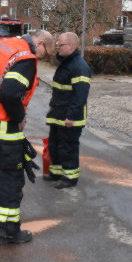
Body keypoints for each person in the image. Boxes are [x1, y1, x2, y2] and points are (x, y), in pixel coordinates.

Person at [0, 30, 55, 245]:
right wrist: (19, 116)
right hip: (0, 129)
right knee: (9, 182)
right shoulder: (25, 58)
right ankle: (7, 232)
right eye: (44, 54)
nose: (40, 58)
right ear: (40, 43)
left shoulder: (1, 46)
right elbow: (9, 92)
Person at [43, 32, 91, 189]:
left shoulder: (79, 66)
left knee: (68, 147)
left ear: (70, 46)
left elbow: (80, 95)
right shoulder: (66, 63)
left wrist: (71, 116)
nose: (58, 47)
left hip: (70, 117)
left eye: (60, 45)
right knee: (55, 145)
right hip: (58, 114)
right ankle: (56, 173)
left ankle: (70, 177)